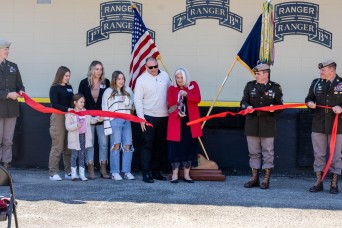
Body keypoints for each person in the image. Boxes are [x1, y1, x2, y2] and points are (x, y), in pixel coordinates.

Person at [240, 63, 283, 189]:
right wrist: (246, 107)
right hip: (252, 123)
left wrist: (273, 109)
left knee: (268, 152)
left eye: (258, 73)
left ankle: (266, 179)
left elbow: (280, 106)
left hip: (267, 124)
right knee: (253, 153)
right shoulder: (250, 85)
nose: (256, 75)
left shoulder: (275, 87)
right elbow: (243, 101)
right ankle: (254, 178)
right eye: (256, 74)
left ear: (266, 74)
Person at [305, 59, 342, 194]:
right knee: (318, 154)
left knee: (335, 155)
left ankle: (334, 183)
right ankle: (318, 182)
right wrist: (310, 103)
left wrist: (341, 107)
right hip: (318, 124)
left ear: (332, 71)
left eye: (323, 70)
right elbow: (308, 98)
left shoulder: (341, 83)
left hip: (337, 125)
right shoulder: (316, 83)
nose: (320, 72)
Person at [134, 56, 171, 183]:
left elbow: (171, 93)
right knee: (147, 146)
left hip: (164, 116)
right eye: (151, 67)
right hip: (148, 117)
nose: (154, 69)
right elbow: (137, 99)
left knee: (159, 146)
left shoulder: (165, 76)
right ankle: (146, 173)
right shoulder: (141, 80)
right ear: (146, 67)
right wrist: (141, 118)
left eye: (156, 66)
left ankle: (156, 172)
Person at [167, 67, 202, 183]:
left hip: (190, 123)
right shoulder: (172, 88)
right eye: (177, 77)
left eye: (181, 77)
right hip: (176, 122)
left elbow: (198, 99)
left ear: (186, 77)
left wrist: (187, 94)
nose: (179, 80)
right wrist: (178, 112)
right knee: (175, 149)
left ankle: (187, 175)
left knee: (189, 147)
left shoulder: (193, 85)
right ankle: (175, 175)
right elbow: (170, 106)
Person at [78, 60, 110, 179]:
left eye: (101, 69)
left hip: (102, 118)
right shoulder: (84, 83)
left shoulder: (106, 82)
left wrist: (102, 115)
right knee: (89, 144)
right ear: (91, 69)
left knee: (104, 144)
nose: (99, 71)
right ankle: (90, 168)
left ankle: (103, 168)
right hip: (89, 118)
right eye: (96, 69)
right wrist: (89, 116)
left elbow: (109, 99)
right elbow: (80, 101)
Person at [102, 71, 135, 181]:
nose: (121, 81)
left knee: (128, 145)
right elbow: (105, 109)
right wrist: (107, 126)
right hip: (114, 121)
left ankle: (126, 171)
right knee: (115, 145)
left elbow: (132, 106)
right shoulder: (108, 91)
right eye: (119, 79)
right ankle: (115, 172)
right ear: (114, 80)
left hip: (127, 120)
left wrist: (126, 99)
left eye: (122, 79)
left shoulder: (128, 90)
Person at [65, 93, 102, 181]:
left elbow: (91, 121)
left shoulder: (85, 112)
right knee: (74, 155)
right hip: (74, 138)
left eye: (83, 102)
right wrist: (76, 125)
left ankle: (82, 174)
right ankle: (74, 174)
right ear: (75, 102)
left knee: (82, 155)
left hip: (83, 137)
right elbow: (67, 127)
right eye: (81, 102)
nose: (82, 104)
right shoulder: (70, 114)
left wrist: (97, 118)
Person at [0, 39, 25, 169]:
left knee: (8, 141)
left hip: (12, 110)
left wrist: (21, 90)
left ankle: (5, 170)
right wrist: (7, 94)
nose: (7, 51)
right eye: (5, 48)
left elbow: (20, 84)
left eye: (8, 49)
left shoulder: (13, 66)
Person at [48, 66, 74, 181]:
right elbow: (54, 104)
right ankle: (53, 172)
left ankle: (68, 172)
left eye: (69, 76)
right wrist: (67, 109)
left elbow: (72, 101)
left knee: (68, 146)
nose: (68, 78)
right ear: (60, 75)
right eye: (66, 76)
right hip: (58, 117)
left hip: (69, 117)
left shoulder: (69, 87)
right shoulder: (54, 88)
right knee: (57, 145)